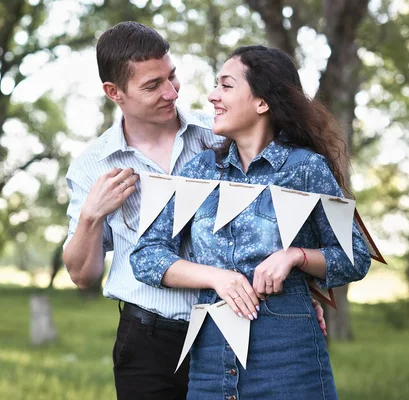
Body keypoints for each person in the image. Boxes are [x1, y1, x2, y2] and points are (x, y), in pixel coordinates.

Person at [63, 22, 327, 400]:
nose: (171, 93)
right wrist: (91, 215)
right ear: (114, 92)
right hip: (150, 341)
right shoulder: (94, 166)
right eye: (153, 86)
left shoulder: (219, 134)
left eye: (172, 77)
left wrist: (299, 289)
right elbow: (81, 274)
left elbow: (282, 216)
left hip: (233, 331)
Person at [131, 45, 371, 399]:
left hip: (287, 351)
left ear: (262, 102)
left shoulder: (305, 168)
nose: (212, 96)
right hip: (210, 352)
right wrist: (216, 277)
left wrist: (295, 257)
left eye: (226, 86)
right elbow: (146, 256)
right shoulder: (199, 171)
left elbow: (355, 257)